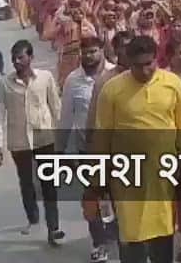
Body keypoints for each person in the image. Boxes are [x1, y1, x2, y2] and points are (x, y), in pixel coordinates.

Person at [93, 35, 181, 263]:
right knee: (132, 242)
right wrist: (98, 181)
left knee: (163, 240)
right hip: (128, 179)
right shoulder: (112, 89)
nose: (145, 70)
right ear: (128, 62)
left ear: (156, 59)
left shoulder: (172, 83)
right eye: (138, 66)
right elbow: (102, 137)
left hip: (163, 177)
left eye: (150, 64)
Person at [0, 39, 64, 246]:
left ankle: (54, 227)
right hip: (20, 141)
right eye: (14, 58)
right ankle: (32, 217)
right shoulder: (4, 83)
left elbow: (56, 107)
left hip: (45, 137)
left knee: (49, 183)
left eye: (21, 57)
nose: (17, 62)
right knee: (27, 182)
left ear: (31, 58)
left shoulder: (45, 78)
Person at [57, 36, 113, 263]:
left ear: (102, 51)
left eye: (93, 51)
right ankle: (99, 242)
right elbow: (66, 118)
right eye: (85, 52)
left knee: (118, 198)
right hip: (86, 151)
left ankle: (120, 239)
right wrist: (61, 152)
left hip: (115, 150)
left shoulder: (116, 75)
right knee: (91, 199)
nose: (89, 56)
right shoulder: (73, 80)